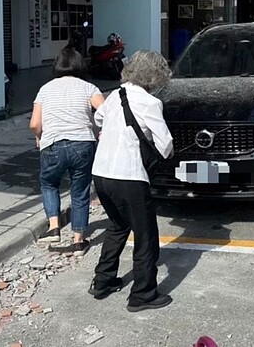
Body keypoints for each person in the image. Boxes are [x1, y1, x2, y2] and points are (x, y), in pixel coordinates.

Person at [89, 50, 174, 312]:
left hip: (102, 173)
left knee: (117, 226)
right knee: (146, 235)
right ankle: (143, 294)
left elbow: (97, 118)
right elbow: (166, 144)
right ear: (155, 77)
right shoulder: (149, 102)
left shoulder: (115, 95)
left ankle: (102, 281)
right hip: (130, 176)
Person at [29, 47, 105, 256]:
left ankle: (54, 227)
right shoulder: (89, 87)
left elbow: (35, 123)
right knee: (79, 192)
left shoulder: (45, 89)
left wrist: (39, 136)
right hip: (83, 144)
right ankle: (79, 241)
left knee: (48, 183)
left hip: (52, 144)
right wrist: (103, 130)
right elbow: (107, 112)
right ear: (80, 65)